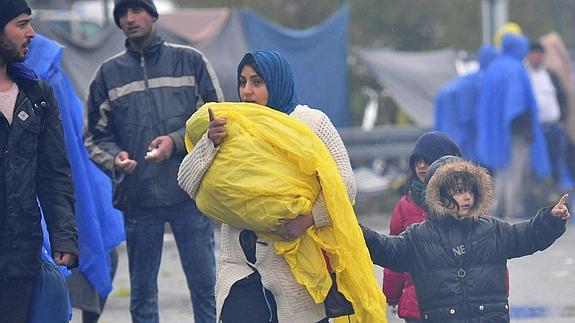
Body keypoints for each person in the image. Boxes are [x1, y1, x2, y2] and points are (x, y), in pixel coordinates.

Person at [178, 50, 360, 322]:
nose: (247, 91)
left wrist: (308, 219)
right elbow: (187, 182)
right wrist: (210, 144)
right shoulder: (231, 125)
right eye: (242, 82)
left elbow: (345, 186)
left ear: (276, 82)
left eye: (257, 82)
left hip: (296, 269)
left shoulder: (310, 123)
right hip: (239, 266)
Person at [83, 0, 224, 321]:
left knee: (206, 289)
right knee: (143, 295)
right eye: (122, 14)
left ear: (153, 15)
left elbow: (218, 120)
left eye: (137, 11)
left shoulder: (190, 61)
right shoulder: (108, 74)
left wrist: (174, 142)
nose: (129, 19)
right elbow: (94, 136)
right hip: (139, 198)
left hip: (189, 193)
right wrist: (115, 158)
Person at [361, 155, 570, 323]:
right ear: (439, 195)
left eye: (469, 190)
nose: (467, 197)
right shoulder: (419, 237)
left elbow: (527, 236)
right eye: (459, 192)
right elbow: (385, 249)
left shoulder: (492, 229)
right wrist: (353, 230)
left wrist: (551, 219)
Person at [0, 0, 79, 322]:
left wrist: (64, 236)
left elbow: (54, 173)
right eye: (21, 24)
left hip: (20, 251)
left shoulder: (37, 94)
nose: (31, 33)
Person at [384, 131, 461, 322]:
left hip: (458, 302)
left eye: (427, 159)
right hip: (417, 305)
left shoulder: (466, 202)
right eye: (417, 161)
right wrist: (391, 295)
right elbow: (394, 255)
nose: (421, 166)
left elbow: (488, 254)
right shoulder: (405, 205)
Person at [476, 32, 551, 219]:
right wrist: (527, 130)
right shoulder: (516, 69)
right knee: (516, 172)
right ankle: (512, 209)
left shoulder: (494, 68)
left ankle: (497, 209)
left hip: (497, 132)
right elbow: (518, 106)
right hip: (516, 133)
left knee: (501, 170)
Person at [526, 41, 568, 183]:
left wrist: (562, 119)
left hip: (554, 127)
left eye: (540, 54)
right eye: (534, 54)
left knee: (557, 162)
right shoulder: (525, 75)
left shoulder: (550, 75)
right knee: (536, 166)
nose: (537, 57)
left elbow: (562, 96)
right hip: (536, 130)